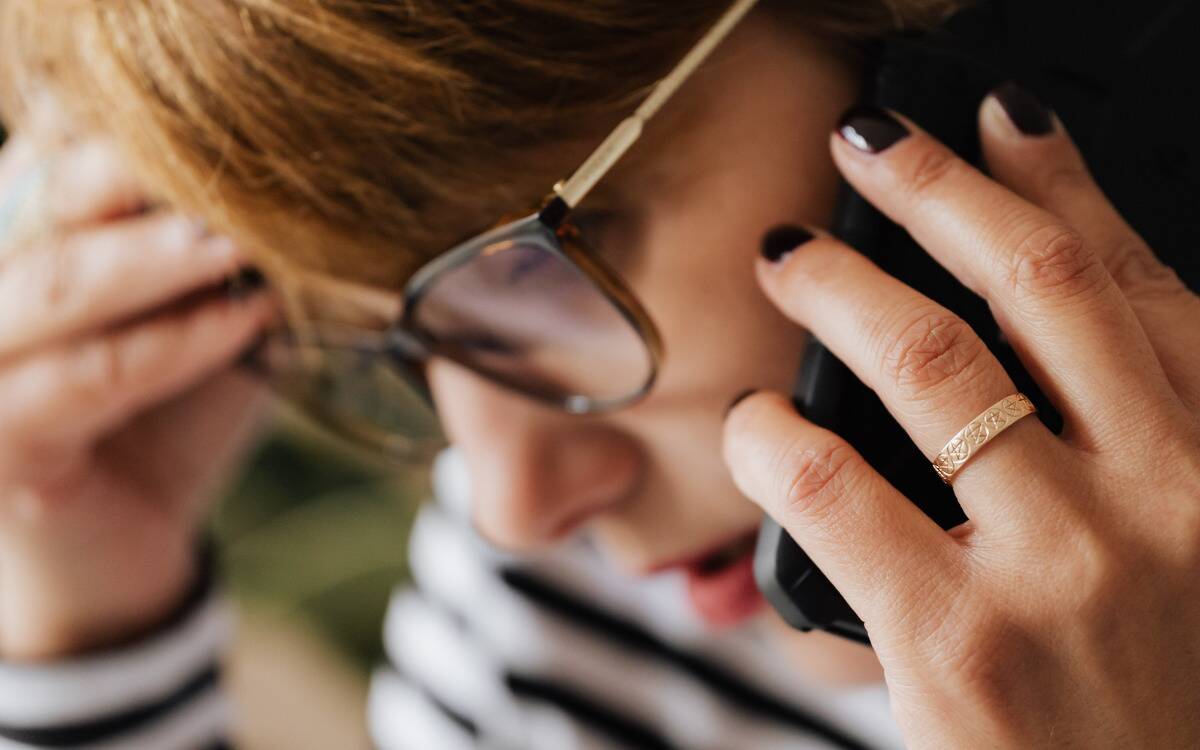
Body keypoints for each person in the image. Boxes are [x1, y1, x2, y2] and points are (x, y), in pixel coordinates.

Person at [0, 0, 1197, 748]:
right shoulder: (561, 619)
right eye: (398, 351)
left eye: (531, 271)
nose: (516, 506)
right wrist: (98, 645)